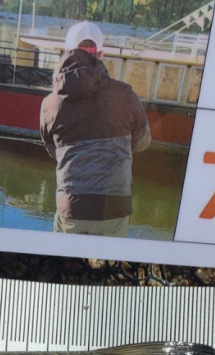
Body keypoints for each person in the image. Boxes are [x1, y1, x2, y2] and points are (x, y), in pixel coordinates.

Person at [39, 21, 151, 236]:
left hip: (70, 207)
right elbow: (143, 141)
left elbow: (53, 151)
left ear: (65, 53)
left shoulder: (49, 105)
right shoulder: (125, 95)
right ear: (101, 55)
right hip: (113, 208)